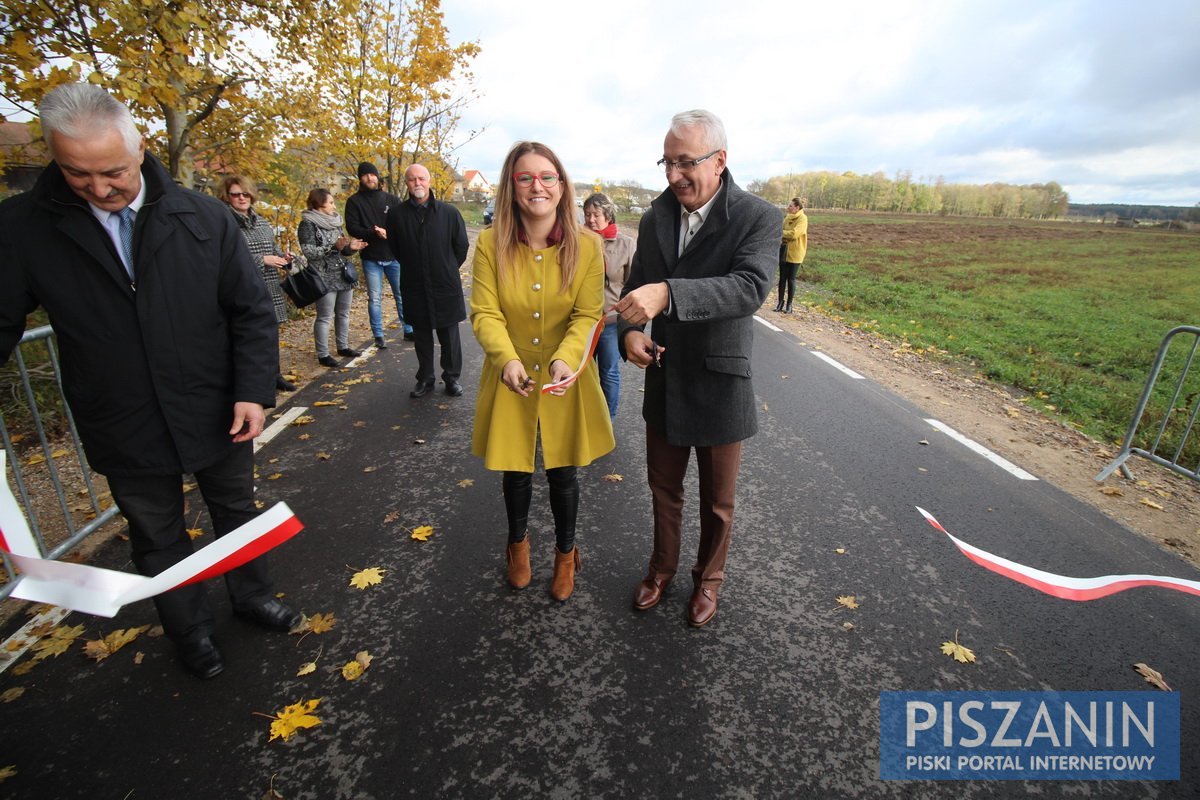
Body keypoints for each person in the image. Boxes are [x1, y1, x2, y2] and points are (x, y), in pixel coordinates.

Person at [0, 83, 302, 679]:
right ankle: (188, 630)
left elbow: (249, 311)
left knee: (236, 510)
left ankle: (252, 595)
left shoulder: (204, 217)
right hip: (120, 416)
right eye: (76, 174)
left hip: (217, 405)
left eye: (111, 171)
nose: (98, 188)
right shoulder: (22, 228)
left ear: (140, 151)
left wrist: (252, 389)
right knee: (155, 531)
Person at [615, 109, 779, 627]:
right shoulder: (656, 216)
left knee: (718, 503)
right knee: (663, 489)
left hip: (720, 379)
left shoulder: (758, 216)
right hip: (665, 377)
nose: (672, 175)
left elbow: (750, 287)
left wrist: (669, 293)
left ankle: (708, 580)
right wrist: (632, 332)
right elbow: (633, 288)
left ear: (720, 161)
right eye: (667, 162)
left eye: (685, 162)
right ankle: (661, 570)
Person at [470, 141, 614, 601]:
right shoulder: (490, 244)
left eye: (547, 176)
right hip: (509, 370)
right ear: (512, 187)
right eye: (526, 177)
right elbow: (485, 313)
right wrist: (507, 360)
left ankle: (566, 553)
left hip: (563, 374)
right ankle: (517, 547)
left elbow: (588, 314)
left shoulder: (588, 246)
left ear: (561, 184)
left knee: (563, 472)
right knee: (515, 469)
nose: (538, 186)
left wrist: (564, 360)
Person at [385, 163, 469, 398]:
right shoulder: (396, 215)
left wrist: (446, 268)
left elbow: (461, 246)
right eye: (412, 179)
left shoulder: (449, 213)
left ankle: (452, 378)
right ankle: (425, 378)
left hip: (445, 285)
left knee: (449, 336)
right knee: (421, 336)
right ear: (407, 183)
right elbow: (396, 248)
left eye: (421, 178)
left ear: (429, 181)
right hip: (414, 284)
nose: (417, 183)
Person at [220, 174, 296, 392]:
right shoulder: (223, 222)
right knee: (246, 336)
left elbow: (273, 250)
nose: (241, 198)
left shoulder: (262, 222)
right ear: (227, 196)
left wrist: (284, 258)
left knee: (270, 332)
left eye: (245, 194)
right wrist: (261, 260)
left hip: (269, 285)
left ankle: (275, 375)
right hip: (241, 288)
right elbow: (225, 257)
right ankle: (250, 384)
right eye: (236, 194)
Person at [344, 161, 413, 348]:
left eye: (372, 175)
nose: (369, 178)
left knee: (401, 294)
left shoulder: (392, 200)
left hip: (394, 256)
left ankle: (409, 329)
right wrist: (372, 232)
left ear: (377, 177)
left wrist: (388, 232)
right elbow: (352, 227)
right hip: (371, 257)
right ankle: (378, 335)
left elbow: (404, 224)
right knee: (375, 297)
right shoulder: (354, 202)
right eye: (365, 175)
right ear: (360, 179)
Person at [297, 188, 366, 368]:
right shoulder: (307, 224)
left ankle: (342, 346)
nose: (334, 206)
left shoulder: (336, 223)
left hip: (342, 274)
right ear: (319, 204)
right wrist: (333, 247)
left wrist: (352, 247)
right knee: (325, 316)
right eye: (331, 203)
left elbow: (342, 249)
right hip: (322, 275)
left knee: (343, 313)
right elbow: (309, 252)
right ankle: (323, 354)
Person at [582, 192, 635, 420]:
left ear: (608, 215)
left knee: (609, 372)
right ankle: (582, 420)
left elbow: (632, 283)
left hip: (610, 322)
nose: (591, 219)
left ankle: (607, 420)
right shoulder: (578, 241)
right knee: (581, 372)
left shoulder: (626, 244)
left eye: (595, 214)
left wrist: (627, 317)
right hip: (582, 321)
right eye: (587, 215)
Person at [773, 197, 808, 313]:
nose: (788, 207)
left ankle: (789, 304)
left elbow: (795, 234)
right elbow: (781, 230)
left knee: (791, 279)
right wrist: (782, 233)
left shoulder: (803, 219)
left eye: (791, 206)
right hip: (783, 251)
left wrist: (781, 233)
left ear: (797, 208)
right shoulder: (787, 218)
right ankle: (780, 302)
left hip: (795, 252)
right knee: (782, 278)